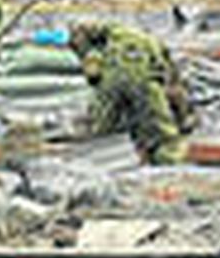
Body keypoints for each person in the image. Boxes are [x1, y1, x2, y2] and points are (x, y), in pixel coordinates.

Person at [69, 22, 196, 166]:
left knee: (100, 126)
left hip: (113, 82)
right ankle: (166, 160)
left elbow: (92, 74)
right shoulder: (148, 41)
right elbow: (172, 84)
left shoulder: (107, 39)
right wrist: (183, 117)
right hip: (144, 83)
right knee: (163, 133)